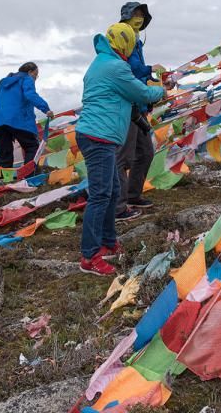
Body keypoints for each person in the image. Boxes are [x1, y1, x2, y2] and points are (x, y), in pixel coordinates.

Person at [75, 23, 168, 276]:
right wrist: (162, 90)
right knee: (100, 195)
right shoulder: (116, 67)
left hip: (99, 135)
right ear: (125, 44)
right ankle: (90, 256)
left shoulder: (101, 62)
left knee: (112, 190)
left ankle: (108, 242)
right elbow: (141, 92)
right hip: (99, 136)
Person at [115, 2, 164, 221]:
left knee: (145, 153)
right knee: (123, 157)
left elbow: (137, 74)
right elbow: (131, 69)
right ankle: (118, 206)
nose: (139, 18)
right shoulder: (124, 38)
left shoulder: (137, 40)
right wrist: (149, 69)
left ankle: (133, 195)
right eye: (135, 14)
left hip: (140, 105)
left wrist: (151, 81)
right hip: (129, 104)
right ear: (126, 16)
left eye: (142, 15)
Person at [0, 62, 54, 169]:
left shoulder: (3, 84)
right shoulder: (26, 79)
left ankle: (3, 178)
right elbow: (30, 95)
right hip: (18, 119)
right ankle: (29, 175)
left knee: (5, 151)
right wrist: (46, 109)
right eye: (35, 75)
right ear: (29, 72)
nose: (35, 78)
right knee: (31, 146)